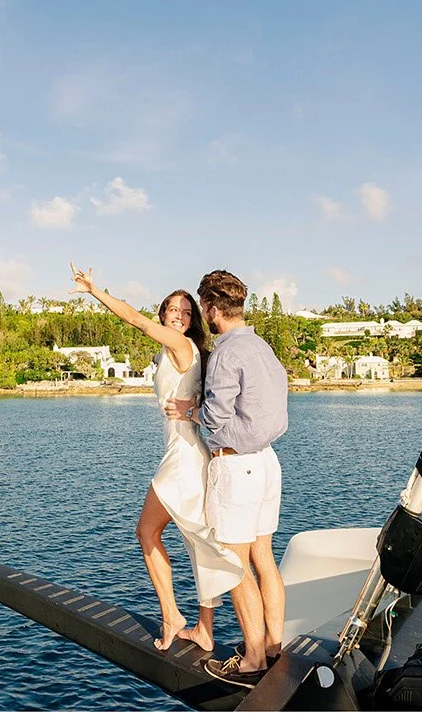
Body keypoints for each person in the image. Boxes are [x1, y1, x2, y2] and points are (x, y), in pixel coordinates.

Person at [69, 265, 246, 653]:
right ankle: (204, 629)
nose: (179, 316)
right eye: (173, 310)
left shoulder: (182, 346)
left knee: (147, 533)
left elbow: (133, 318)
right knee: (197, 541)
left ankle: (172, 617)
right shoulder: (182, 350)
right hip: (185, 452)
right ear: (163, 312)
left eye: (186, 312)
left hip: (183, 457)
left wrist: (94, 290)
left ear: (192, 319)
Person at [191, 270, 290, 687]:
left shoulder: (227, 352)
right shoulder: (261, 346)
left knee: (234, 566)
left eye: (203, 308)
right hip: (268, 462)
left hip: (237, 465)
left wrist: (191, 412)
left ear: (213, 308)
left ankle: (252, 661)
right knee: (263, 558)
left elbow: (214, 417)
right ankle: (272, 646)